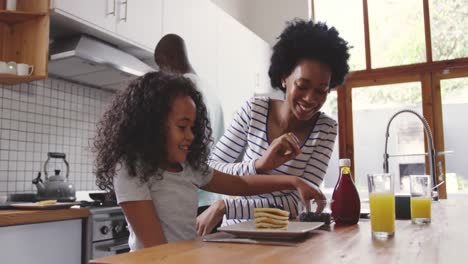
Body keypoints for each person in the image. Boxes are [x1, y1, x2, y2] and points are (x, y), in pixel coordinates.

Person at [93, 71, 325, 251]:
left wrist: (294, 181)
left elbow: (242, 185)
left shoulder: (189, 168)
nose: (191, 136)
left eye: (192, 127)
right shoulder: (130, 169)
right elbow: (157, 251)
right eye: (182, 127)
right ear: (152, 126)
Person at [197, 19, 350, 235]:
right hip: (237, 235)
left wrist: (227, 207)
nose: (310, 99)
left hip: (289, 239)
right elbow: (210, 171)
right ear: (284, 78)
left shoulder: (325, 129)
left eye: (321, 90)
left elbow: (299, 201)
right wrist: (259, 165)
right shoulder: (253, 111)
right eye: (302, 86)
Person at [154, 33, 225, 209]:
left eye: (161, 66)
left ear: (168, 59)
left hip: (188, 196)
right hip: (211, 197)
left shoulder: (182, 92)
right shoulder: (210, 91)